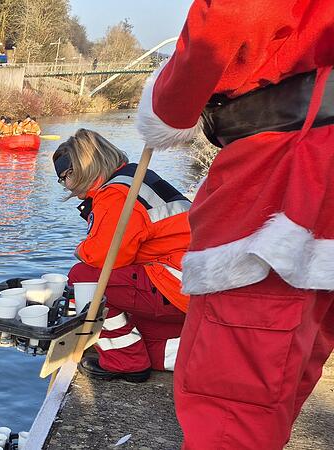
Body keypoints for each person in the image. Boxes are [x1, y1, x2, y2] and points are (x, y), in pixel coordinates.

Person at [136, 2, 334, 448]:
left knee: (230, 405)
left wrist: (166, 102)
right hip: (318, 177)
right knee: (285, 375)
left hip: (282, 178)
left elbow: (229, 21)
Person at [53, 129, 191, 382]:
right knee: (142, 338)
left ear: (76, 171)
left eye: (64, 178)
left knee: (82, 277)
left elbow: (103, 258)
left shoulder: (115, 194)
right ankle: (190, 354)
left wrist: (80, 249)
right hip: (194, 281)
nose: (67, 186)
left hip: (175, 282)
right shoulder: (135, 178)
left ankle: (126, 362)